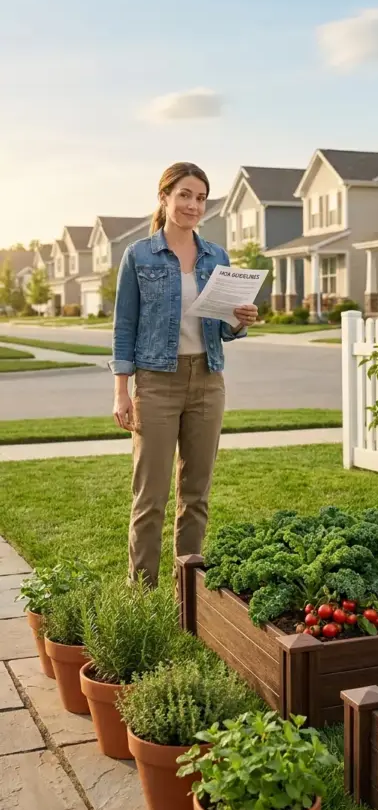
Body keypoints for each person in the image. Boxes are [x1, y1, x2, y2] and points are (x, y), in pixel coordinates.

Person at [111, 161, 258, 586]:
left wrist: (240, 319)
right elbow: (124, 327)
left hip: (208, 381)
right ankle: (142, 593)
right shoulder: (138, 255)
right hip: (156, 383)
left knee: (196, 496)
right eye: (185, 195)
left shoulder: (217, 256)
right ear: (165, 198)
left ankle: (187, 595)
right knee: (150, 497)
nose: (193, 205)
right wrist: (122, 391)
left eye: (200, 198)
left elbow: (227, 328)